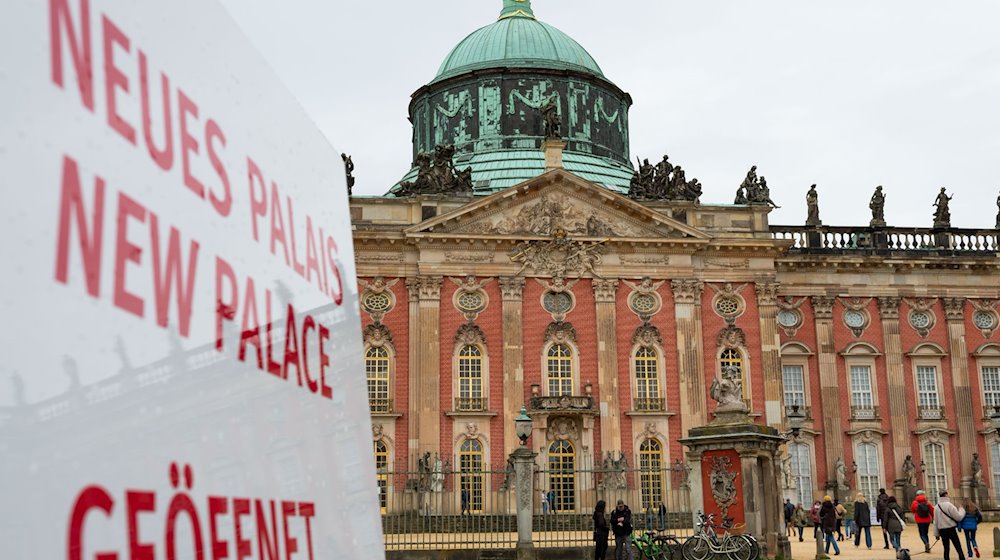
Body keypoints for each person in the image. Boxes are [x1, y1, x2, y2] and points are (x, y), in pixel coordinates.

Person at [933, 490, 966, 560]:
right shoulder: (949, 505)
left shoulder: (936, 507)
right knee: (958, 546)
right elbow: (958, 517)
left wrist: (936, 534)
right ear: (946, 495)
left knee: (946, 548)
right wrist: (962, 510)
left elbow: (935, 522)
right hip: (951, 528)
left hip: (942, 530)